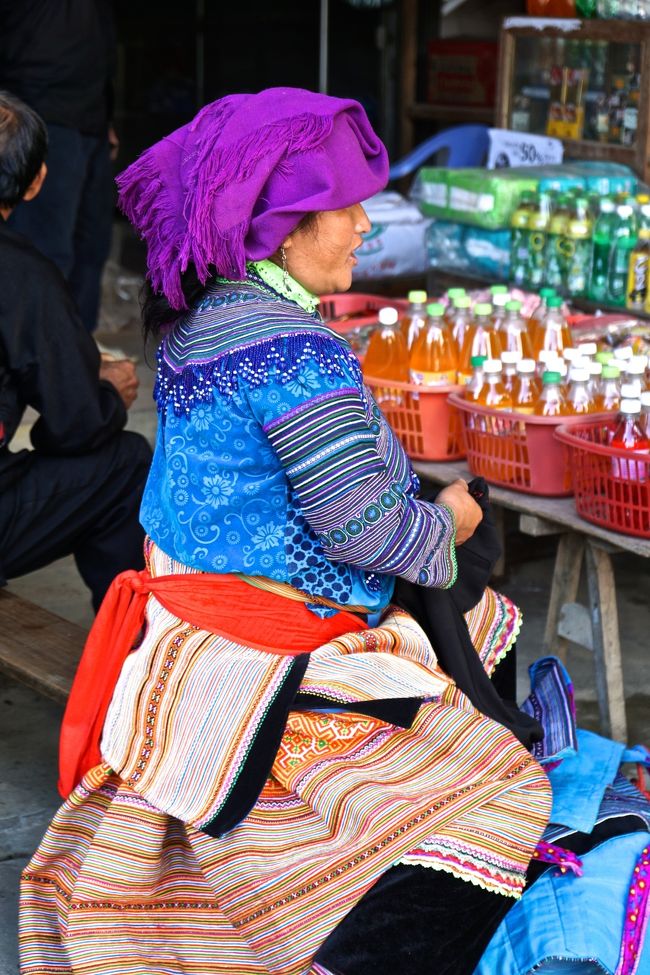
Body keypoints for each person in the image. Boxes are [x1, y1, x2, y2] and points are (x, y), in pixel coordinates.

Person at [19, 88, 551, 975]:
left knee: (472, 631)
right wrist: (450, 519)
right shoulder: (294, 351)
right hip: (267, 640)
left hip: (189, 623)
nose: (361, 225)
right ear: (279, 226)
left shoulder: (203, 318)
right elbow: (367, 532)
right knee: (499, 796)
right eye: (340, 207)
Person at [0, 91, 151, 611]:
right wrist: (105, 388)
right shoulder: (22, 277)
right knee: (125, 463)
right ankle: (129, 651)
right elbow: (77, 426)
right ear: (38, 179)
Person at [0, 0, 117, 332]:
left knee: (91, 248)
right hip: (37, 112)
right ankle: (34, 348)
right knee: (45, 248)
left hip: (91, 119)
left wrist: (107, 116)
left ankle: (77, 345)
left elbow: (104, 45)